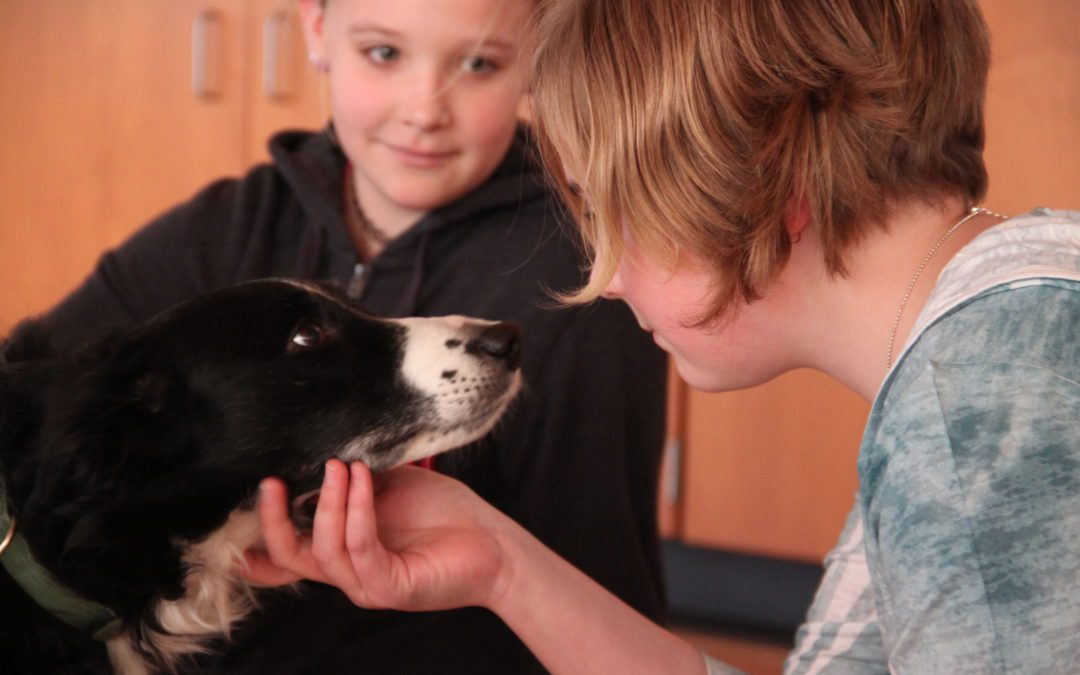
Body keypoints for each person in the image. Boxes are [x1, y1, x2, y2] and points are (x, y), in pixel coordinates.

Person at [247, 0, 1080, 672]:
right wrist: (501, 564)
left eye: (607, 207)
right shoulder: (991, 342)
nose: (606, 278)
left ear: (753, 182)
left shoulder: (980, 408)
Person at [36, 0, 668, 672]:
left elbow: (604, 601)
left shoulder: (577, 284)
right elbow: (39, 403)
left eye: (479, 64)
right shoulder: (227, 226)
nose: (425, 108)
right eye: (385, 54)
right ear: (315, 29)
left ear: (537, 64)